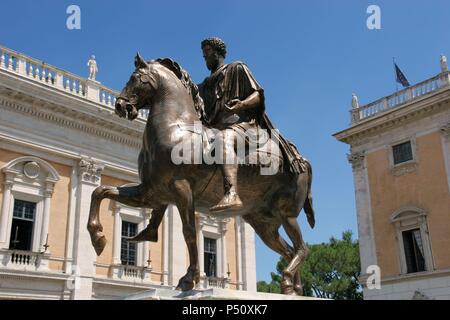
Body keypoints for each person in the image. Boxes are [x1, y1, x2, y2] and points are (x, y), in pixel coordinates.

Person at [198, 37, 304, 213]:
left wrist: (241, 105)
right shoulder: (205, 85)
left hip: (243, 126)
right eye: (203, 55)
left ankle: (231, 192)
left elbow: (258, 96)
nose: (204, 58)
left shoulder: (237, 68)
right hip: (215, 128)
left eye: (207, 54)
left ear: (217, 53)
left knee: (224, 138)